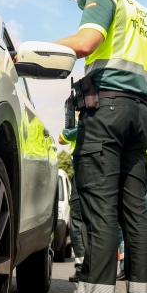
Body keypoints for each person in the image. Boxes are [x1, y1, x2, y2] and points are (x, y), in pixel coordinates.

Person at [41, 0, 147, 293]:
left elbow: (84, 43)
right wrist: (130, 101)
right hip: (139, 117)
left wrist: (36, 48)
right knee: (135, 216)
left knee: (98, 211)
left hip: (105, 113)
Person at [118, 142, 147, 276]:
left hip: (128, 188)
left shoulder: (124, 144)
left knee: (123, 227)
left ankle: (125, 266)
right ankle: (142, 267)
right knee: (143, 229)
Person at [58, 115, 84, 283]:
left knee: (78, 220)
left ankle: (82, 267)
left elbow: (62, 138)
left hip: (85, 168)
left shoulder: (83, 114)